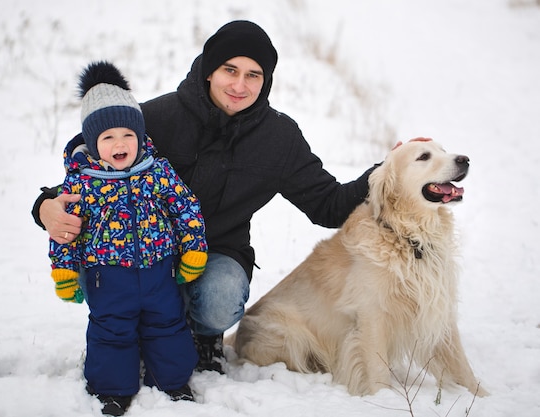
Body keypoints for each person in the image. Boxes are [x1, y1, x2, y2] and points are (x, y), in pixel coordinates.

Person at [33, 20, 379, 374]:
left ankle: (204, 335)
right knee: (113, 282)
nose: (240, 85)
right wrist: (45, 206)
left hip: (217, 254)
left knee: (220, 298)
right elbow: (90, 168)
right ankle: (129, 335)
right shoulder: (155, 117)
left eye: (253, 75)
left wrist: (387, 172)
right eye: (230, 70)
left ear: (266, 81)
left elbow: (329, 204)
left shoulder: (279, 139)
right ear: (210, 70)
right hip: (143, 251)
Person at [48, 61, 208, 416]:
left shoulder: (156, 170)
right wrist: (64, 270)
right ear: (92, 142)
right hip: (108, 276)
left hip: (159, 270)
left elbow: (186, 207)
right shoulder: (82, 183)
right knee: (110, 330)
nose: (120, 144)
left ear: (140, 137)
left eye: (127, 136)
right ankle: (112, 389)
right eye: (108, 138)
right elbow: (65, 230)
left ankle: (173, 382)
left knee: (167, 324)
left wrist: (194, 247)